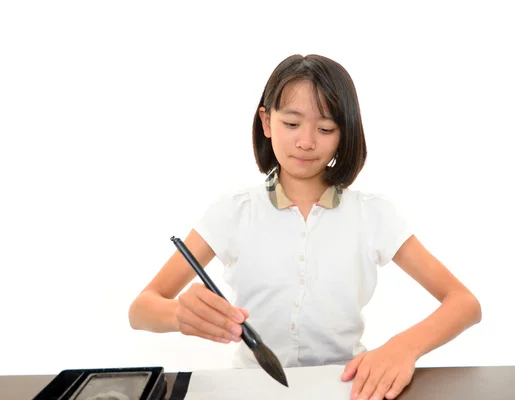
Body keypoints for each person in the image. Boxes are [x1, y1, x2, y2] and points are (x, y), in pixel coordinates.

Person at [128, 54, 482, 400]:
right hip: (250, 389)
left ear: (345, 133)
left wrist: (404, 347)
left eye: (326, 128)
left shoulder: (373, 215)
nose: (306, 142)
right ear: (266, 122)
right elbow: (141, 308)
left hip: (348, 385)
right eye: (292, 124)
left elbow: (464, 302)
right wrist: (179, 314)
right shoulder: (234, 211)